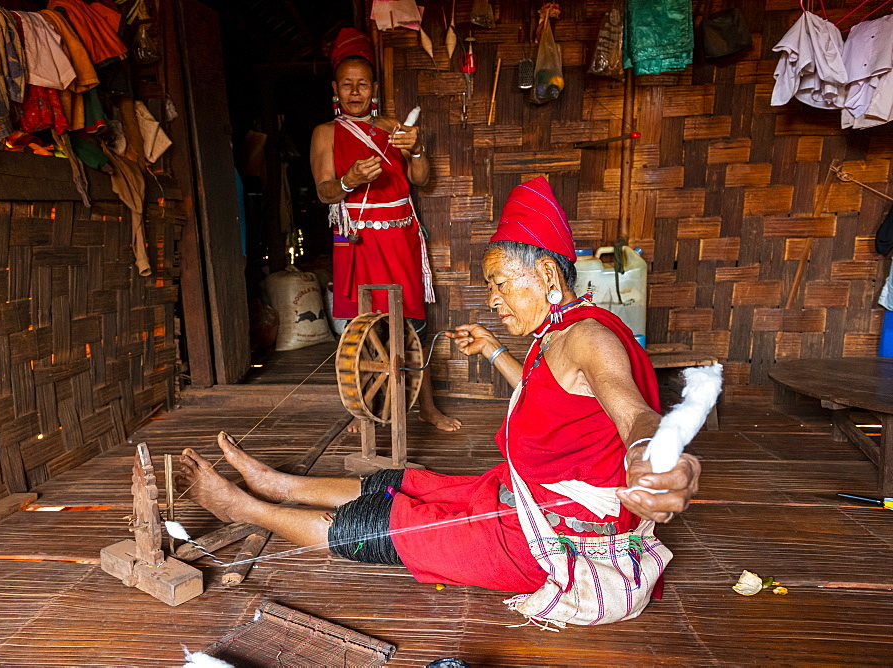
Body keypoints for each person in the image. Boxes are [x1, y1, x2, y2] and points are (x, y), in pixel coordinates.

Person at [176, 177, 702, 625]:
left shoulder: (590, 338)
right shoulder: (559, 330)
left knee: (400, 527)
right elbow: (550, 402)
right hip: (527, 496)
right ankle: (280, 483)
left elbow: (633, 414)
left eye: (498, 283)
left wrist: (652, 455)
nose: (492, 298)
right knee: (415, 481)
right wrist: (494, 350)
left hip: (555, 539)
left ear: (544, 275)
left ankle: (243, 505)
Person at [309, 27, 460, 432]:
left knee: (411, 320)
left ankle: (426, 406)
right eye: (347, 85)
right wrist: (350, 179)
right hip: (358, 239)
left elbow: (422, 179)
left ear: (374, 88)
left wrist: (417, 149)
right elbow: (325, 192)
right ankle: (362, 409)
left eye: (362, 84)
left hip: (399, 237)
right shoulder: (326, 133)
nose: (355, 92)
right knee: (361, 323)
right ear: (335, 89)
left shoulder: (395, 128)